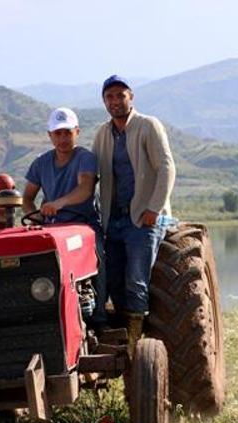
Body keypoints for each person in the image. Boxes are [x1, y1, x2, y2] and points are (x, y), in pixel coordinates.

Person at [92, 75, 176, 350]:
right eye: (110, 97)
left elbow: (166, 168)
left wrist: (153, 208)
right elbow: (91, 173)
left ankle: (135, 345)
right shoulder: (103, 134)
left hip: (143, 217)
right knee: (113, 279)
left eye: (120, 95)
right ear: (104, 101)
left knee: (135, 280)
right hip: (114, 220)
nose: (115, 101)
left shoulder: (147, 126)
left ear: (131, 97)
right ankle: (118, 336)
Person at [22, 107, 106, 327]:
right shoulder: (40, 163)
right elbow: (27, 198)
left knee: (99, 258)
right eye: (58, 133)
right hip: (52, 228)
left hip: (83, 225)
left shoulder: (85, 158)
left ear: (77, 132)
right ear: (49, 135)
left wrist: (58, 203)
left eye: (67, 132)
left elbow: (85, 189)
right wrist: (35, 218)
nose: (63, 138)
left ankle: (99, 316)